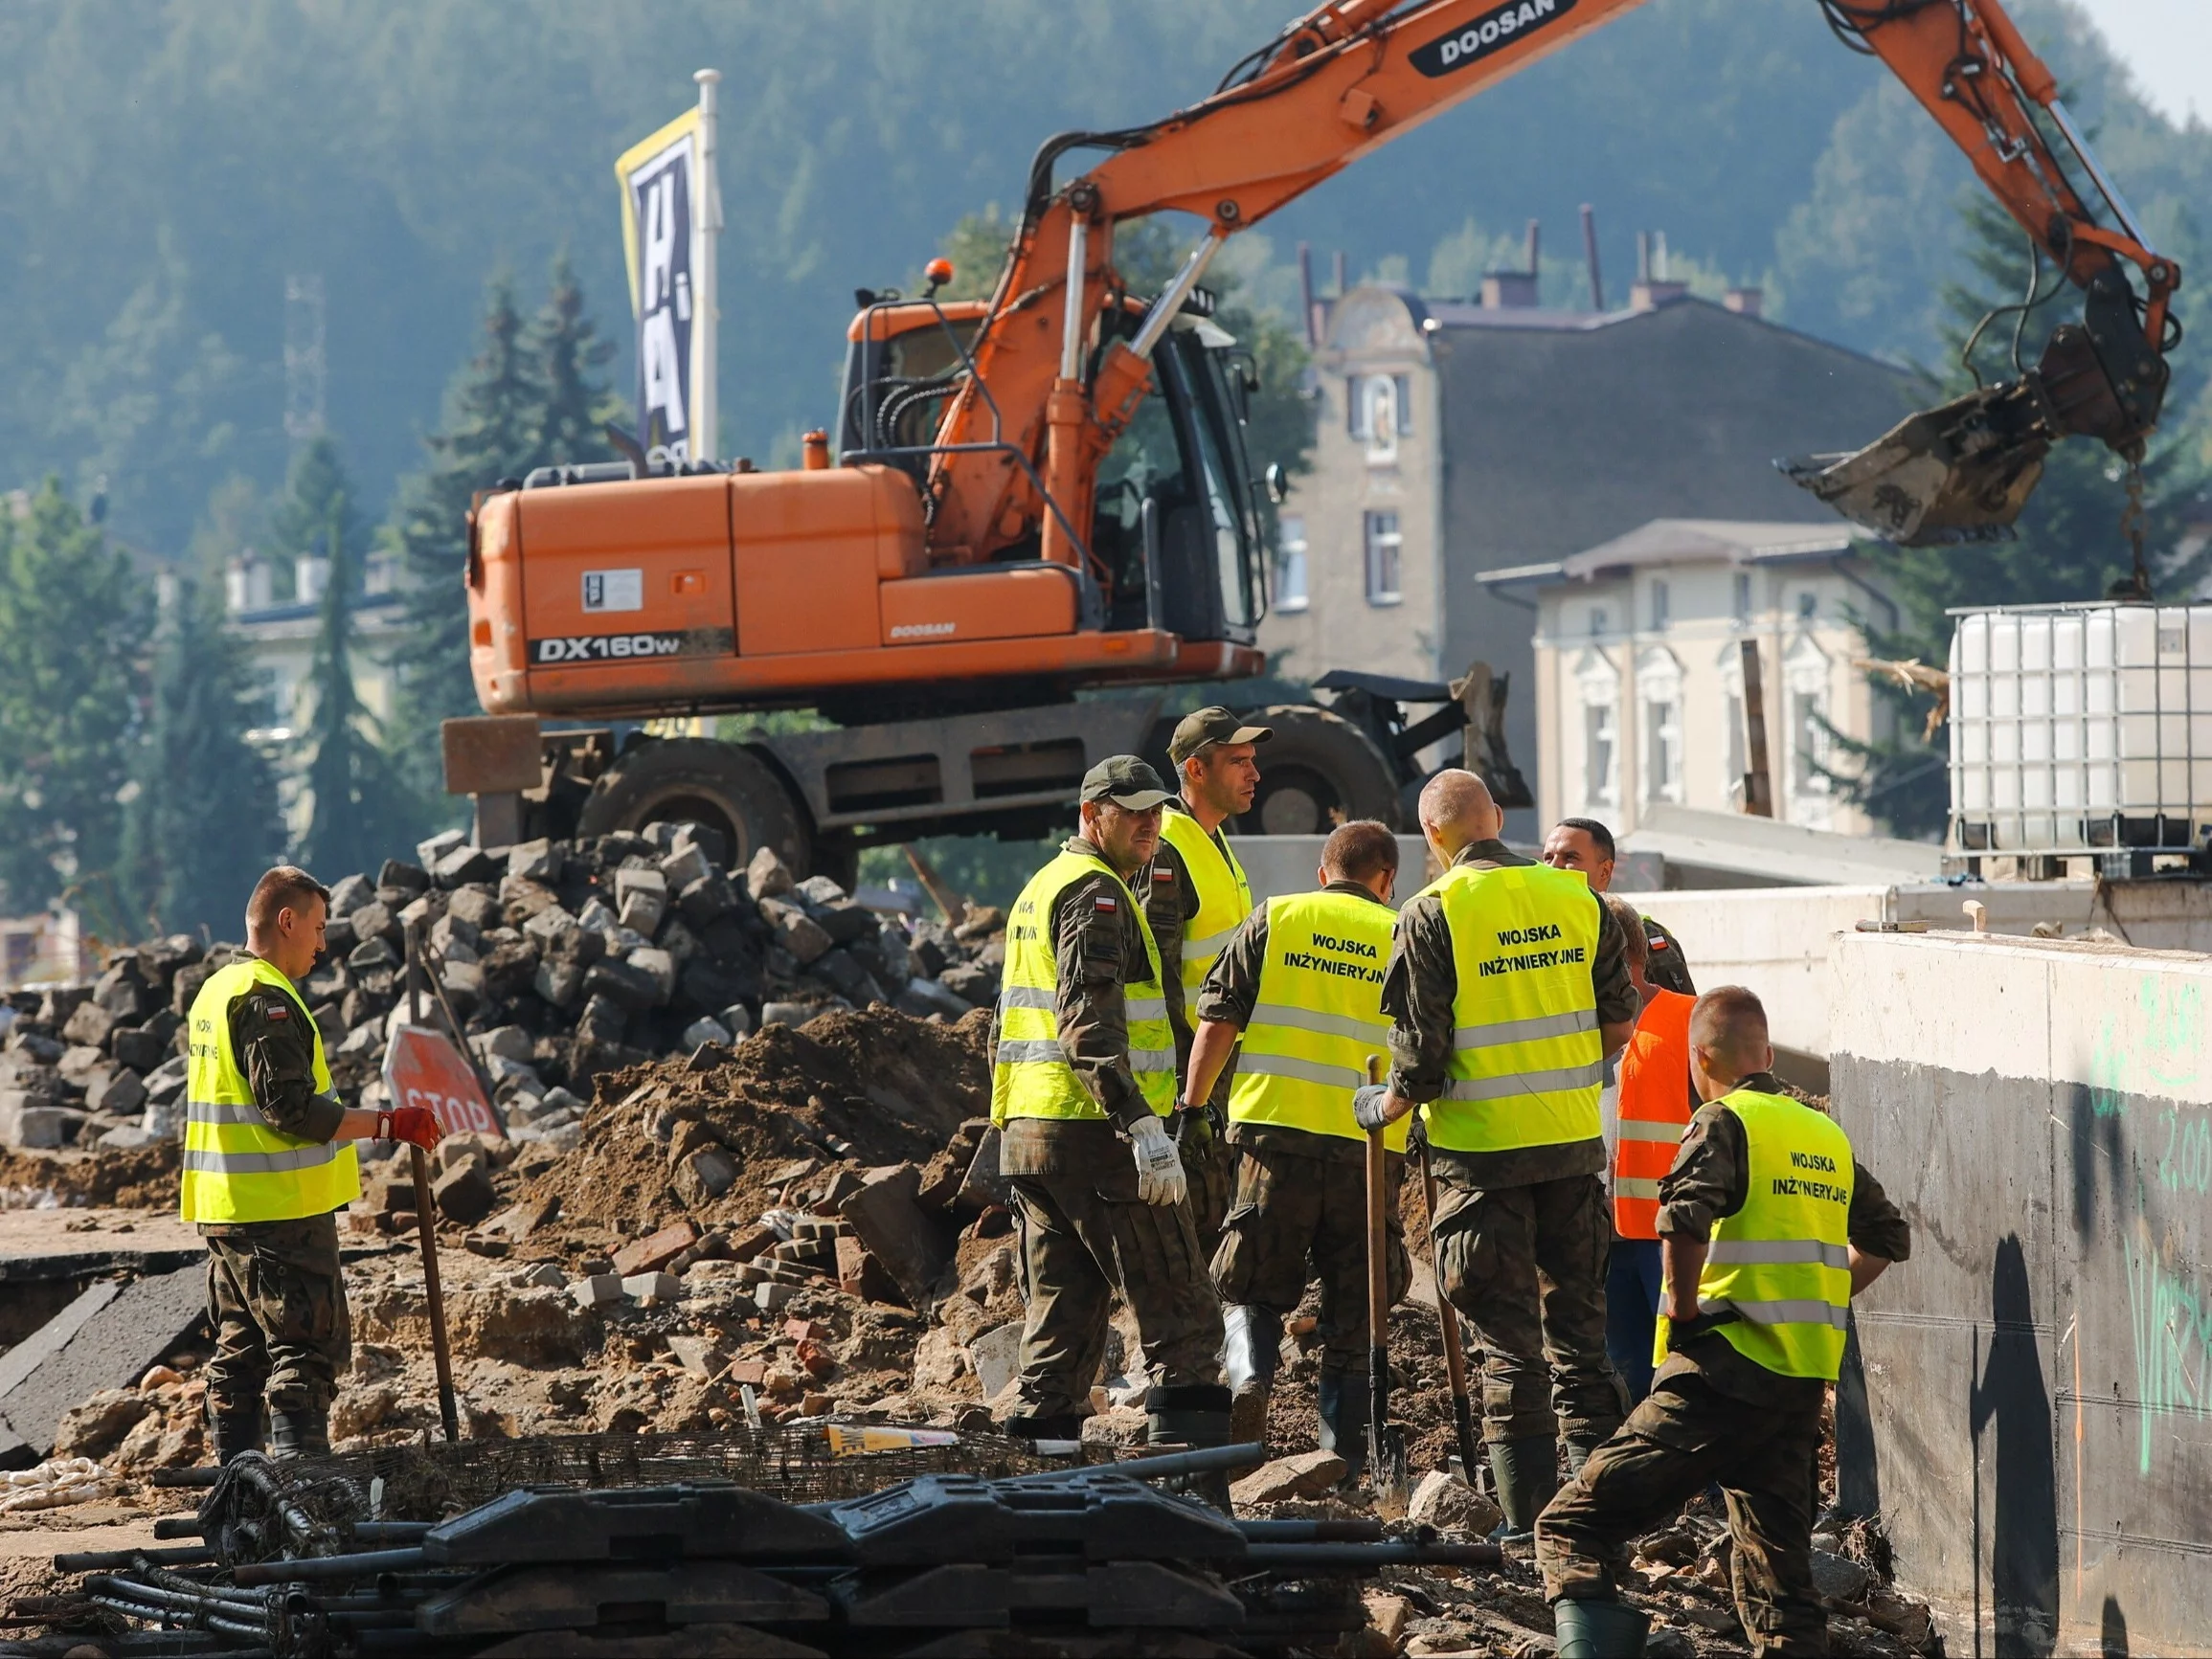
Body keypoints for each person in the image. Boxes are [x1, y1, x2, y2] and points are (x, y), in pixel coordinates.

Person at [1534, 987, 1911, 1658]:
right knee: (1785, 1599)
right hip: (1795, 1387)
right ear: (1766, 1053)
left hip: (1721, 1371)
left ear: (1699, 1056)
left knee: (1572, 1525)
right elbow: (1887, 1234)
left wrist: (1681, 1309)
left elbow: (1680, 1217)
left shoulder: (1723, 1120)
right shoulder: (1822, 1134)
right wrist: (1819, 1291)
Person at [1354, 772, 1642, 1535]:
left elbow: (1419, 1060)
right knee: (1581, 1335)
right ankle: (1596, 1520)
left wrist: (1381, 1107)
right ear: (1500, 821)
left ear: (1432, 836)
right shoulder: (1577, 898)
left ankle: (1527, 1525)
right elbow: (1620, 1024)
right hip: (1573, 1151)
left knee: (1508, 1344)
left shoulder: (1432, 912)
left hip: (1480, 1162)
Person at [990, 756, 1230, 1452]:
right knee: (1184, 1317)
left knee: (1061, 1328)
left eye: (1156, 810)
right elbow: (1086, 1023)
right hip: (1098, 1134)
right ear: (1092, 815)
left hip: (1036, 1137)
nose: (1150, 823)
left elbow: (1006, 1019)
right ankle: (1191, 1503)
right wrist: (1139, 1122)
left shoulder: (1042, 886)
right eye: (1132, 812)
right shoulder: (1093, 893)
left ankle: (1046, 1499)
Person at [184, 866, 440, 1461]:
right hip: (282, 1216)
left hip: (227, 1211)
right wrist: (387, 1122)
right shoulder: (265, 1001)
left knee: (241, 1355)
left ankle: (240, 1501)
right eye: (319, 928)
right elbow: (291, 1110)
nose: (323, 945)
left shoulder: (217, 990)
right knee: (304, 1353)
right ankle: (302, 1500)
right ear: (287, 921)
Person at [1184, 819, 1407, 1464]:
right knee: (1357, 1303)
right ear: (1386, 878)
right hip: (1368, 1147)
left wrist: (1192, 1108)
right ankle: (1342, 1453)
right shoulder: (1403, 934)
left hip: (1274, 1140)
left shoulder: (1275, 917)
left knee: (1249, 1282)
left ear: (1323, 871)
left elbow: (1217, 1021)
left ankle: (1250, 1375)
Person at [1146, 706, 1270, 1257]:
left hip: (1217, 1064)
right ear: (1196, 770)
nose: (1254, 773)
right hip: (1187, 1071)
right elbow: (1157, 975)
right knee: (1195, 1224)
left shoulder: (1215, 841)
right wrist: (1183, 1090)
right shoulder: (1169, 847)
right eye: (1237, 761)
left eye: (1252, 761)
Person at [1598, 893, 1698, 1404]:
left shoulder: (1689, 1019)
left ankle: (1704, 1482)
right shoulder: (1572, 1026)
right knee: (1625, 1375)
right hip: (1601, 1234)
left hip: (1669, 1235)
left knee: (1681, 1371)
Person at [1541, 817, 1695, 996]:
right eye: (1548, 858)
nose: (1554, 866)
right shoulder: (1533, 932)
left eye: (1570, 857)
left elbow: (1678, 1012)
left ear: (1605, 870)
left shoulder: (1642, 936)